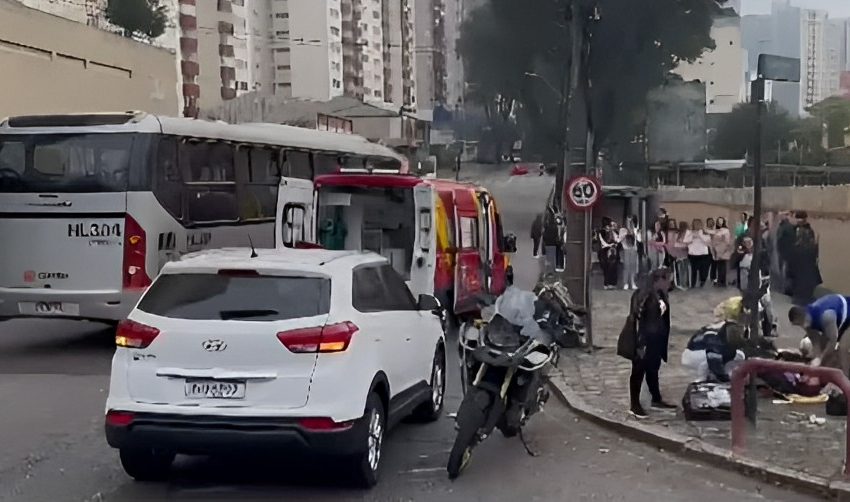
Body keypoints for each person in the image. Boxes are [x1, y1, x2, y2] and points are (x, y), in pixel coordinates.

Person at [628, 268, 676, 418]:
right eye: (668, 280)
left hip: (657, 338)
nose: (670, 283)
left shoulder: (661, 294)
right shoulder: (643, 295)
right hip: (644, 338)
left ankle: (656, 398)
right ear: (659, 280)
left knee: (653, 368)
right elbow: (638, 318)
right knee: (638, 370)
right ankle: (634, 404)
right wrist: (641, 342)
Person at [788, 294, 850, 377]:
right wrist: (817, 358)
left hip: (845, 314)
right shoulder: (806, 321)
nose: (801, 327)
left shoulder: (826, 317)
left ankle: (846, 380)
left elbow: (833, 342)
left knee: (843, 348)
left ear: (802, 318)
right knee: (823, 347)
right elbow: (815, 342)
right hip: (836, 316)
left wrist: (820, 359)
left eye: (799, 324)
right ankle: (821, 375)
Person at [681, 321, 746, 383]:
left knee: (739, 356)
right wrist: (725, 379)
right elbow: (712, 359)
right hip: (692, 355)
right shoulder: (715, 341)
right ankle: (702, 378)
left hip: (710, 351)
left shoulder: (725, 334)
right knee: (709, 361)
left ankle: (716, 374)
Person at [788, 211, 822, 306]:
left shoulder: (806, 230)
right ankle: (801, 297)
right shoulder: (795, 230)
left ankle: (802, 296)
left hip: (804, 259)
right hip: (800, 259)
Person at [684, 219, 711, 288]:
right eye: (695, 223)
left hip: (703, 254)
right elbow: (685, 241)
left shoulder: (705, 232)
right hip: (693, 254)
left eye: (698, 223)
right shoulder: (689, 232)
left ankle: (702, 281)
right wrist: (692, 236)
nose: (697, 225)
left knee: (703, 270)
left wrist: (700, 235)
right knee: (693, 270)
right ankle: (693, 283)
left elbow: (707, 242)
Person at [776, 211, 796, 295]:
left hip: (784, 253)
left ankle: (786, 289)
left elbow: (779, 239)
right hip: (789, 253)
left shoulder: (784, 227)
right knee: (788, 272)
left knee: (785, 271)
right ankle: (788, 289)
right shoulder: (791, 227)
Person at [597, 219, 620, 290]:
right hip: (604, 251)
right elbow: (603, 242)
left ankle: (613, 283)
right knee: (606, 268)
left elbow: (617, 239)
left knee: (614, 268)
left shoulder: (613, 232)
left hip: (613, 251)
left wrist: (614, 232)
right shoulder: (601, 232)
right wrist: (610, 244)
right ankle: (607, 283)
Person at [619, 216, 641, 290]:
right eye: (628, 221)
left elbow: (639, 240)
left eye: (631, 221)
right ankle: (625, 283)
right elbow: (620, 239)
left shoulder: (636, 230)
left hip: (634, 249)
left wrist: (636, 233)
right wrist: (626, 234)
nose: (630, 223)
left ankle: (633, 282)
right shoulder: (622, 230)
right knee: (626, 267)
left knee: (633, 267)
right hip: (626, 249)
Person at [668, 220, 690, 290]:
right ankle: (681, 284)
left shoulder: (684, 233)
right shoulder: (676, 233)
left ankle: (683, 284)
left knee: (683, 270)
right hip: (678, 255)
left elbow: (684, 244)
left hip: (683, 255)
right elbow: (673, 244)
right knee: (680, 270)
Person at [711, 216, 733, 287]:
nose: (719, 222)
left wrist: (723, 251)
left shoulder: (725, 230)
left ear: (723, 222)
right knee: (719, 267)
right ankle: (719, 281)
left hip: (723, 250)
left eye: (721, 221)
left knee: (723, 267)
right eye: (718, 221)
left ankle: (722, 282)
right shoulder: (716, 230)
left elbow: (727, 242)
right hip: (717, 250)